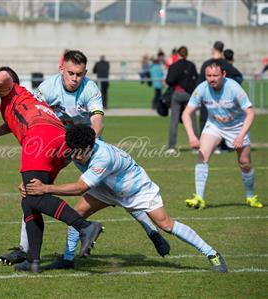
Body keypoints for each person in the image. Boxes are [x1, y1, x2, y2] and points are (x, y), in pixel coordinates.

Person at [0, 50, 170, 269]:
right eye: (71, 73)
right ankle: (26, 251)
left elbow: (97, 121)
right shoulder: (46, 89)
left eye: (79, 74)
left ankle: (151, 231)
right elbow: (30, 116)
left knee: (122, 192)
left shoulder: (90, 88)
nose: (74, 78)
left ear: (85, 73)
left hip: (86, 147)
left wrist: (88, 145)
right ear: (61, 69)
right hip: (57, 144)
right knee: (32, 189)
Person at [26, 124, 228, 273]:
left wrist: (45, 188)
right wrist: (31, 182)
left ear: (92, 145)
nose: (78, 157)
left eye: (82, 153)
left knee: (166, 224)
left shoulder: (103, 156)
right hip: (106, 188)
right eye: (74, 153)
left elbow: (80, 188)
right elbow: (54, 165)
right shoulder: (75, 148)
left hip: (137, 189)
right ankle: (68, 259)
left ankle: (212, 253)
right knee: (76, 214)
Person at [0, 66, 104, 273]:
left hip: (40, 136)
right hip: (59, 139)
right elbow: (18, 118)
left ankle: (84, 227)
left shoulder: (10, 87)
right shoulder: (23, 100)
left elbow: (4, 75)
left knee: (34, 194)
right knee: (29, 199)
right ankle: (33, 260)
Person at [182, 60, 263, 209]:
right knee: (202, 154)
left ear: (223, 74)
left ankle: (250, 196)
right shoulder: (202, 89)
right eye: (209, 75)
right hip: (214, 126)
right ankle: (199, 197)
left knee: (244, 163)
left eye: (215, 75)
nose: (212, 78)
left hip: (238, 128)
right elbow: (187, 113)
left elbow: (250, 113)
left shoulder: (234, 88)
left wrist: (240, 136)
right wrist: (192, 136)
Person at [165, 46, 198, 154]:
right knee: (192, 120)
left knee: (174, 120)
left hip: (177, 94)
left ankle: (171, 147)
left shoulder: (174, 65)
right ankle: (195, 147)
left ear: (178, 54)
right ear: (186, 54)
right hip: (189, 95)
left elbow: (169, 80)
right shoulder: (191, 65)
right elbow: (195, 80)